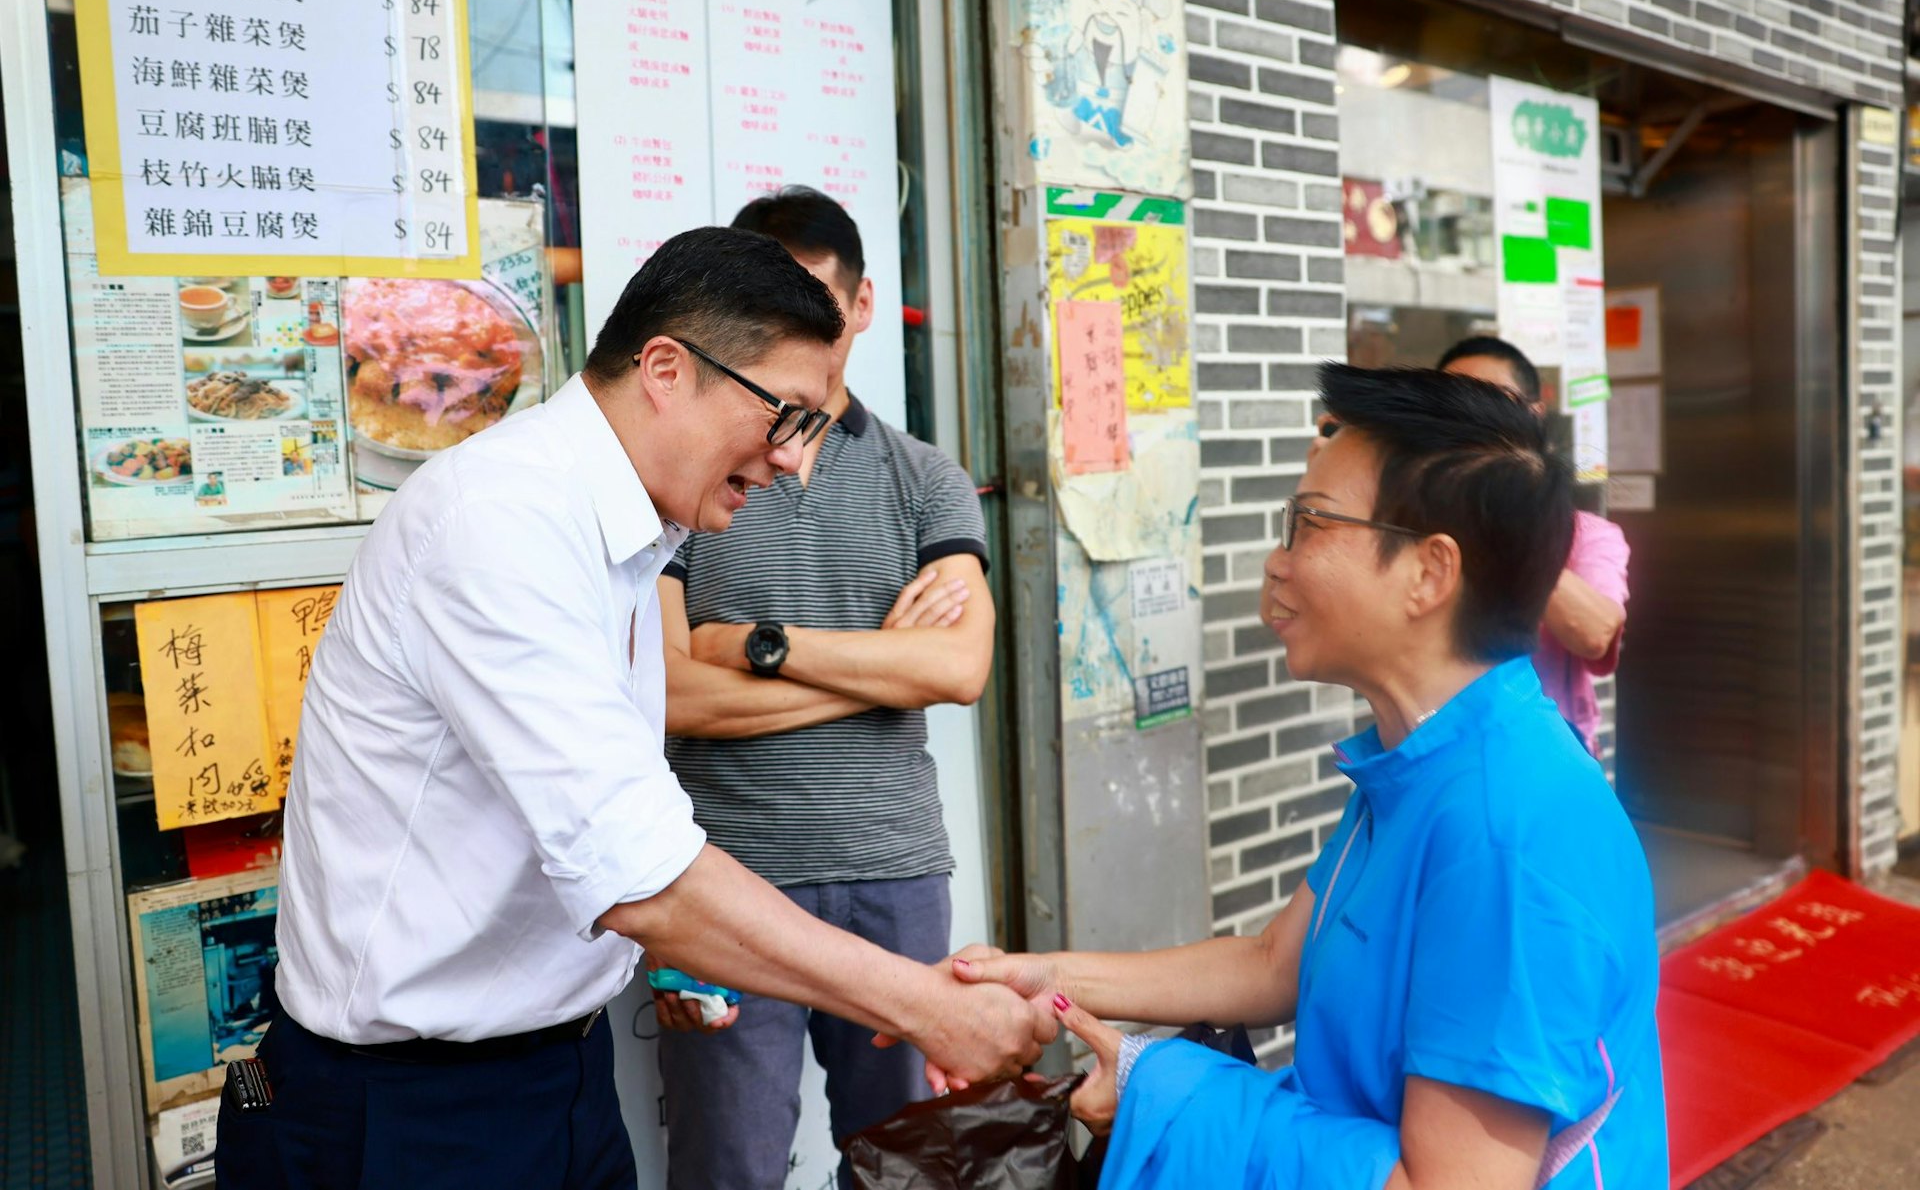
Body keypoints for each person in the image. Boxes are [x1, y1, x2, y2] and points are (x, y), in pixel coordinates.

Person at [215, 227, 1054, 1190]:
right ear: (665, 368)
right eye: (786, 416)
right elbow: (639, 873)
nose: (790, 462)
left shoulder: (632, 532)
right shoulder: (501, 523)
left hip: (558, 1071)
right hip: (411, 1107)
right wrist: (923, 1002)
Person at [956, 364, 1667, 1189]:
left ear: (1429, 574)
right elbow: (1273, 962)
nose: (1276, 560)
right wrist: (1048, 978)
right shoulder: (1424, 760)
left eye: (1309, 521)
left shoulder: (1507, 828)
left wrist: (1165, 1091)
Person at [651, 187, 995, 1190]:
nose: (793, 331)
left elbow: (959, 669)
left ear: (863, 307)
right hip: (722, 882)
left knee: (909, 1163)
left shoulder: (925, 478)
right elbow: (671, 694)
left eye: (816, 304)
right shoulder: (693, 480)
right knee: (728, 1166)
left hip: (894, 874)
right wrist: (880, 675)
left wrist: (757, 644)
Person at [1435, 336, 1629, 756]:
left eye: (1491, 402)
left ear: (1534, 415)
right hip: (1433, 755)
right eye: (1452, 405)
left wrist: (1503, 523)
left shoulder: (1585, 533)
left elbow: (1595, 634)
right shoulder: (1412, 523)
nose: (1471, 420)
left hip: (1546, 757)